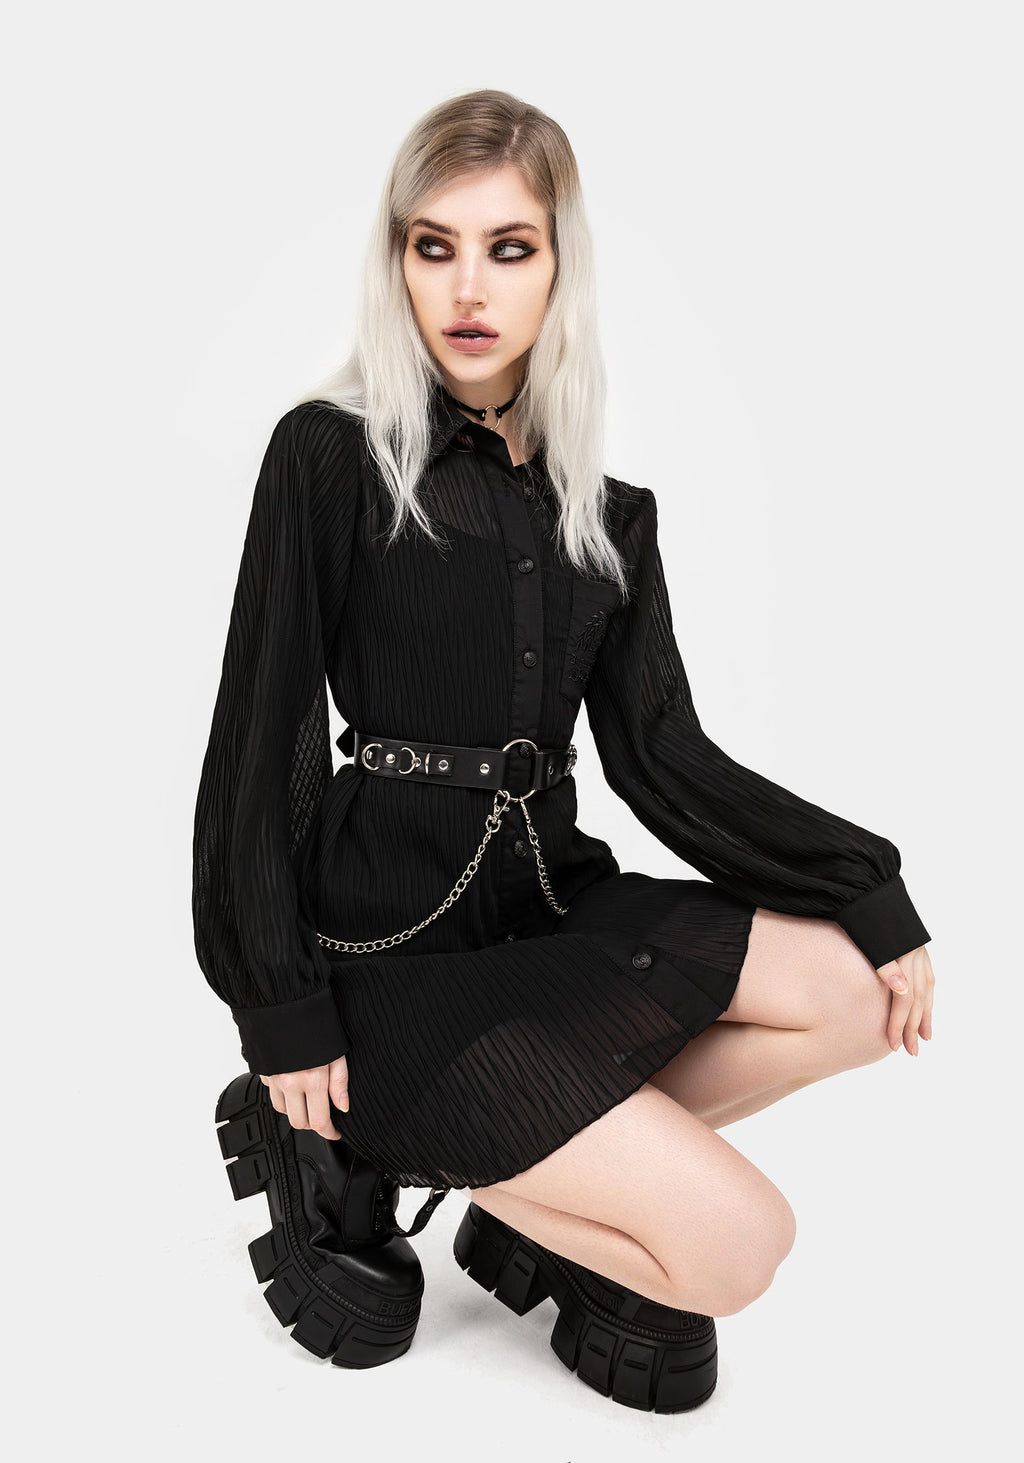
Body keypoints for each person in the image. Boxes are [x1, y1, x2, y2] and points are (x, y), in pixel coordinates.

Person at [193, 88, 935, 1411]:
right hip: (394, 960)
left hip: (545, 917)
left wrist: (865, 883)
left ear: (559, 266)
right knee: (738, 1248)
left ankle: (538, 1181)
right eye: (434, 246)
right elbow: (263, 735)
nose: (468, 288)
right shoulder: (331, 456)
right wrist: (279, 1010)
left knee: (856, 995)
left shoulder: (607, 515)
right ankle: (363, 1135)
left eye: (509, 247)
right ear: (397, 262)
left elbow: (664, 758)